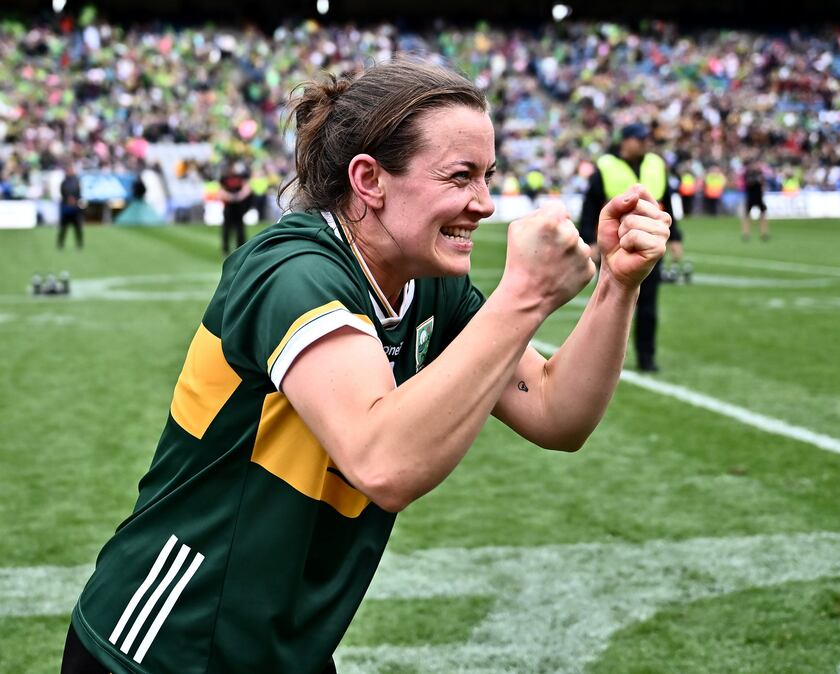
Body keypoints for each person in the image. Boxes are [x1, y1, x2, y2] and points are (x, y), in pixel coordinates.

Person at [63, 59, 670, 674]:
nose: (484, 204)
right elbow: (383, 461)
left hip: (287, 648)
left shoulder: (428, 286)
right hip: (168, 646)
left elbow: (554, 412)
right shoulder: (295, 273)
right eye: (461, 176)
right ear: (369, 179)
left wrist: (617, 286)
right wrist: (525, 297)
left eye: (489, 176)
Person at [579, 122, 682, 373]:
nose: (646, 142)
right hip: (615, 247)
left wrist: (676, 236)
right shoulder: (605, 167)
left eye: (647, 138)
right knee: (608, 305)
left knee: (648, 307)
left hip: (649, 247)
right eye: (640, 138)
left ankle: (646, 358)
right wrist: (589, 240)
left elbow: (665, 201)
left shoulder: (656, 164)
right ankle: (600, 360)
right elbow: (590, 206)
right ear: (625, 141)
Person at [218, 160, 252, 255]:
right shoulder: (224, 178)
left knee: (240, 229)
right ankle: (225, 249)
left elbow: (247, 188)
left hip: (238, 207)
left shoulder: (240, 177)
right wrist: (230, 197)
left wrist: (239, 196)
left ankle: (241, 248)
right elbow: (220, 191)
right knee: (226, 229)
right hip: (228, 207)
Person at [740, 161, 769, 241]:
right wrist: (757, 181)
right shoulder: (747, 174)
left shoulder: (760, 173)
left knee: (763, 215)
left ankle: (763, 233)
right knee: (747, 216)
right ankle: (745, 234)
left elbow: (763, 184)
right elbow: (749, 183)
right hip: (751, 198)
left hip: (759, 197)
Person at [57, 162, 84, 250]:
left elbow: (79, 192)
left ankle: (79, 243)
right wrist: (68, 199)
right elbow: (62, 192)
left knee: (78, 227)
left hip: (75, 208)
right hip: (66, 207)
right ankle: (60, 243)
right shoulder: (64, 182)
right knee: (63, 228)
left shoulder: (77, 181)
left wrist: (75, 199)